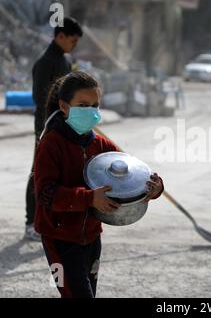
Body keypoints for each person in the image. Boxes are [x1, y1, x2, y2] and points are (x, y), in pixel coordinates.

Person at [34, 71, 164, 298]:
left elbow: (129, 173)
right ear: (64, 107)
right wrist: (89, 198)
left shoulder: (101, 144)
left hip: (92, 236)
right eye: (83, 105)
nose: (91, 111)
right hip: (59, 239)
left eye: (95, 105)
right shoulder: (51, 143)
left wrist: (154, 187)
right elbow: (45, 194)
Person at [25, 17, 83, 241]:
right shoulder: (46, 62)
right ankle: (31, 222)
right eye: (72, 40)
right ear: (60, 36)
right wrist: (45, 132)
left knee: (60, 175)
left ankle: (54, 221)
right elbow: (40, 99)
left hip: (65, 127)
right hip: (47, 129)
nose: (73, 45)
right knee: (38, 174)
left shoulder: (63, 61)